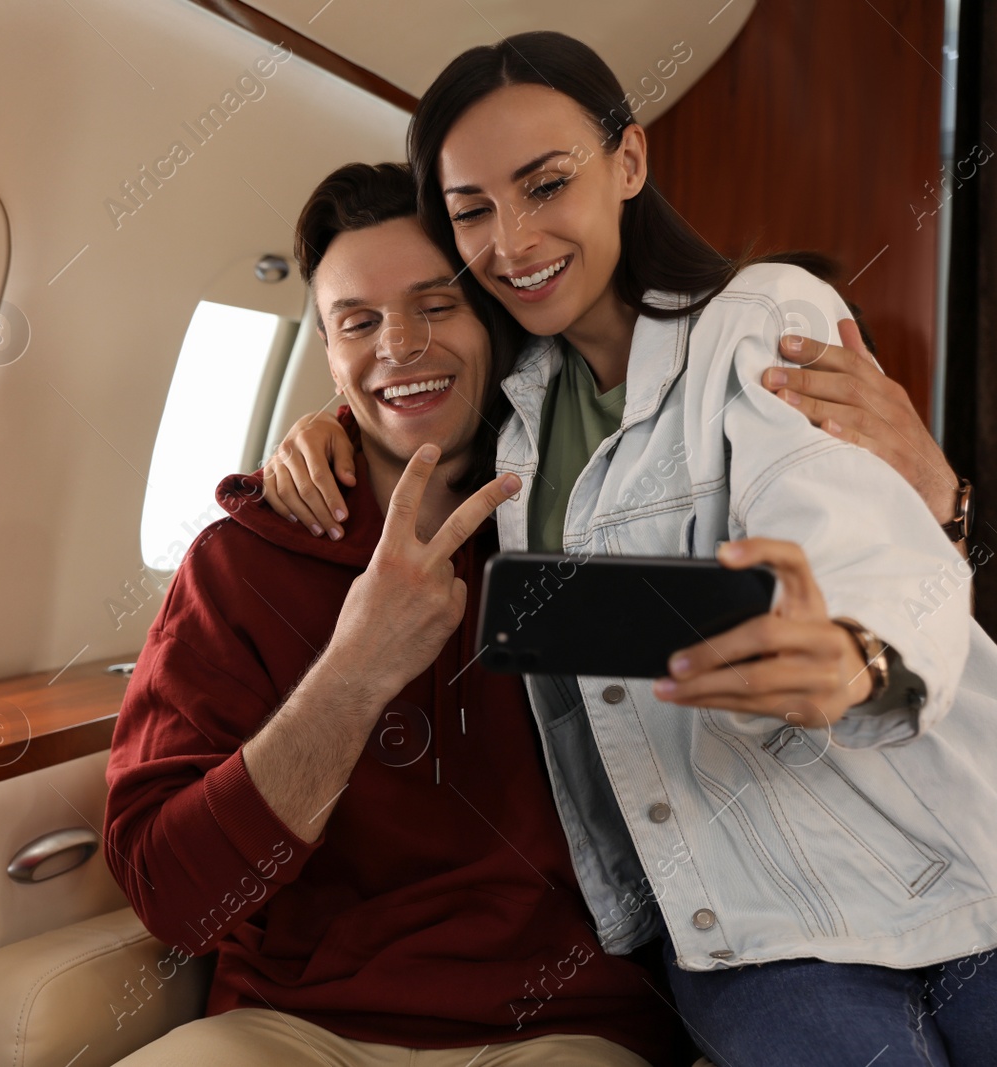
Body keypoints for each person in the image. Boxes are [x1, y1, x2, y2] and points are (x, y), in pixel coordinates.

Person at [259, 31, 997, 1067]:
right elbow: (404, 370)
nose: (511, 240)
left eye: (546, 184)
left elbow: (844, 522)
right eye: (472, 210)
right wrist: (324, 425)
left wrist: (854, 651)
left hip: (944, 853)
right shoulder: (513, 420)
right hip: (743, 921)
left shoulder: (761, 317)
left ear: (629, 164)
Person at [104, 162, 699, 1067]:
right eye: (360, 322)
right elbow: (176, 900)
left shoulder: (587, 522)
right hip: (292, 1029)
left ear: (496, 322)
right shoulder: (239, 565)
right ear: (331, 354)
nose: (401, 345)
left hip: (564, 1028)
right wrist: (354, 673)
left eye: (437, 305)